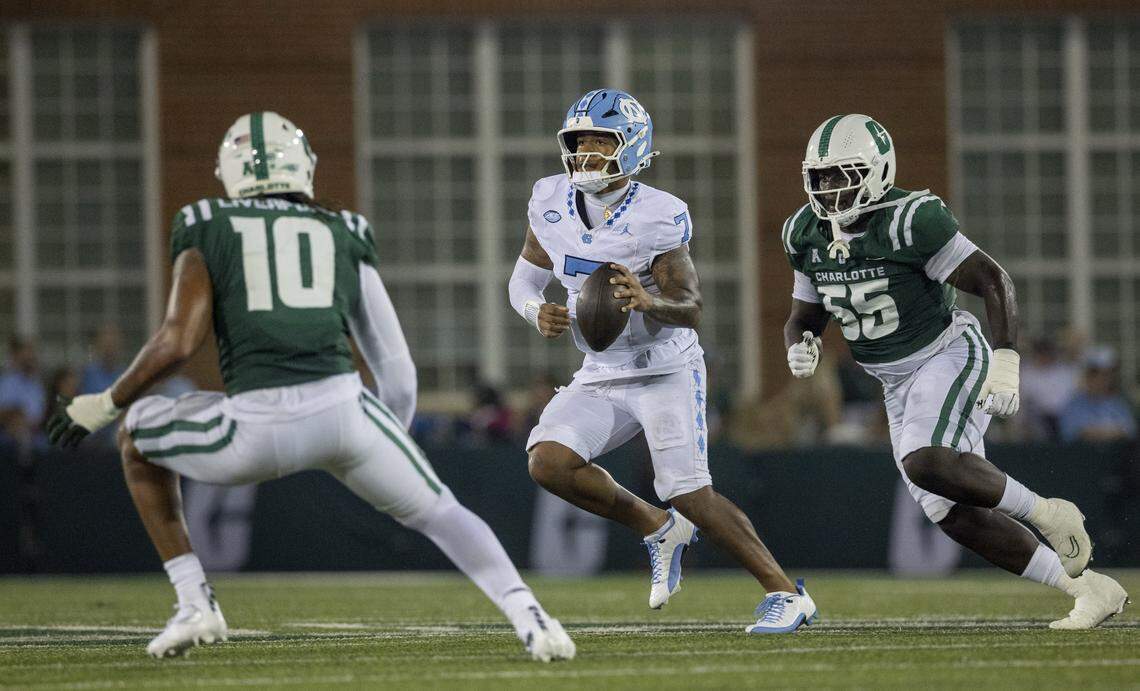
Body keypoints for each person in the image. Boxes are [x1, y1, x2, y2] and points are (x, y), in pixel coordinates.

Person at [46, 111, 574, 662]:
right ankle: (533, 619)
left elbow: (179, 341)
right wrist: (386, 444)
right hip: (344, 413)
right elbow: (396, 367)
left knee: (136, 433)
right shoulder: (343, 229)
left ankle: (194, 602)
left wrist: (105, 403)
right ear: (304, 167)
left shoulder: (205, 221)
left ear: (230, 172)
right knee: (442, 512)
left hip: (253, 424)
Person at [780, 113, 1129, 629]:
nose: (829, 190)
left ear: (877, 172)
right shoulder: (803, 232)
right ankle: (1089, 589)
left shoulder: (910, 218)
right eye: (821, 177)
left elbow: (993, 279)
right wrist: (799, 344)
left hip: (945, 351)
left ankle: (1049, 513)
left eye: (843, 175)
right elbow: (803, 316)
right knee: (951, 514)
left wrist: (1007, 356)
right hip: (893, 381)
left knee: (926, 462)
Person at [509, 89, 813, 634]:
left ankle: (787, 593)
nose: (587, 155)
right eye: (580, 143)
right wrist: (537, 311)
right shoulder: (549, 198)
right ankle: (655, 527)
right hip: (600, 370)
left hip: (664, 367)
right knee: (548, 461)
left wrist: (651, 301)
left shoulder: (658, 215)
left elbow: (693, 307)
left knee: (687, 490)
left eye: (602, 142)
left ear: (632, 148)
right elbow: (525, 278)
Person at [1059, 346, 1137, 443]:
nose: (1103, 379)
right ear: (1087, 375)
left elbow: (1130, 430)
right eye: (1096, 373)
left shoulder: (1118, 403)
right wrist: (1110, 432)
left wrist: (1101, 433)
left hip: (1114, 456)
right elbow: (1071, 433)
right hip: (1084, 456)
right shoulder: (1074, 404)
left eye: (1108, 374)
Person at [0, 336, 45, 444]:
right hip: (9, 433)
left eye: (31, 356)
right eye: (25, 357)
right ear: (16, 357)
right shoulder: (6, 381)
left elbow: (39, 414)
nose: (29, 360)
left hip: (35, 434)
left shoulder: (36, 384)